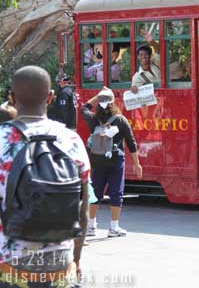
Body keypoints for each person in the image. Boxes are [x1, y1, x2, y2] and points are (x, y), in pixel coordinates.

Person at [0, 66, 89, 286]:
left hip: (10, 264)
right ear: (50, 97)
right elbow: (83, 210)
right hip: (60, 263)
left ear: (11, 98)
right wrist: (76, 261)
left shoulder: (2, 140)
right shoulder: (72, 141)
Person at [81, 88, 142, 238]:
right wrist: (137, 164)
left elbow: (83, 108)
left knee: (95, 192)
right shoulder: (120, 120)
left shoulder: (93, 119)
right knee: (116, 193)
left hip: (97, 161)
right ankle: (113, 228)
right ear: (113, 102)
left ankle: (91, 226)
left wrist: (97, 96)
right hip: (115, 161)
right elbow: (131, 142)